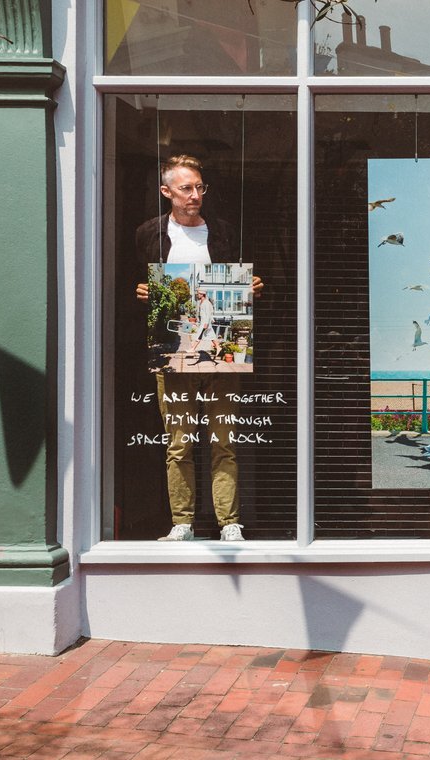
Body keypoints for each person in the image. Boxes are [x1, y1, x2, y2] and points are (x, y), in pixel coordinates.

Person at [135, 154, 262, 542]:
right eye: (186, 188)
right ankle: (182, 523)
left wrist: (252, 286)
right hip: (172, 353)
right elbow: (136, 286)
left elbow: (243, 283)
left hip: (221, 350)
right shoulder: (150, 234)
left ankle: (229, 522)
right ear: (166, 191)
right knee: (179, 442)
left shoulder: (223, 231)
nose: (195, 195)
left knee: (224, 439)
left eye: (199, 187)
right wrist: (140, 292)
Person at [188, 288, 220, 361]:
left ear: (202, 294)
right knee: (211, 336)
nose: (197, 295)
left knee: (198, 336)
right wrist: (197, 321)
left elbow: (208, 313)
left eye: (199, 294)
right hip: (203, 322)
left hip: (205, 323)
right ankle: (218, 347)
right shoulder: (201, 302)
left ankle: (193, 348)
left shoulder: (206, 302)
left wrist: (206, 323)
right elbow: (203, 313)